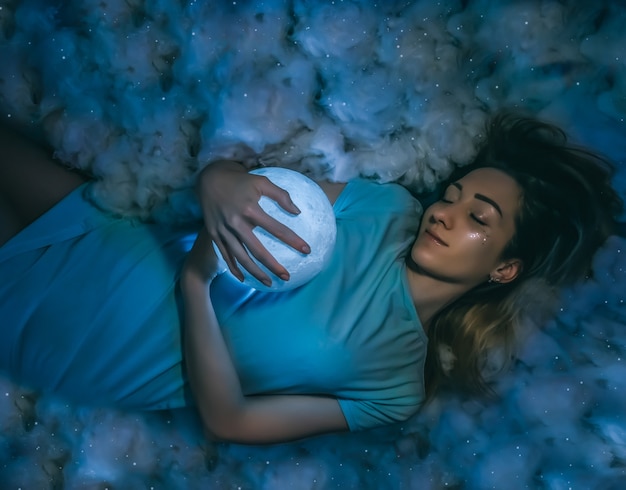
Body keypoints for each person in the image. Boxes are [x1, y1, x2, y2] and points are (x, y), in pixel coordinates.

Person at [0, 113, 622, 444]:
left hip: (83, 338)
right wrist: (220, 183)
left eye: (477, 218)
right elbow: (238, 181)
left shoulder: (395, 386)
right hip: (111, 237)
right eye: (453, 196)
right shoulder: (388, 210)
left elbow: (231, 421)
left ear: (504, 268)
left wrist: (195, 283)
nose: (444, 212)